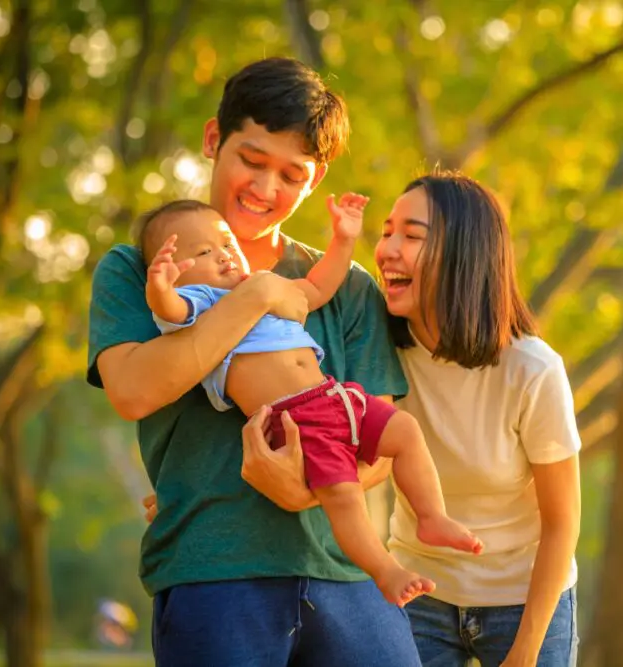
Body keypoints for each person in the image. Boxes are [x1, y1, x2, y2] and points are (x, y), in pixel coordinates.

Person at [87, 57, 424, 666]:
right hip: (212, 570)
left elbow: (379, 433)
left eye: (291, 175)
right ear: (215, 139)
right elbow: (133, 391)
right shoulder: (142, 267)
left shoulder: (345, 286)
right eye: (252, 159)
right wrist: (253, 297)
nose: (266, 189)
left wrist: (305, 491)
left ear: (315, 181)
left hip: (346, 571)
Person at [240, 171, 583, 667]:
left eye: (413, 236)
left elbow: (562, 522)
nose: (387, 250)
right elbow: (292, 400)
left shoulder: (532, 370)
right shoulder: (378, 350)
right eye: (386, 232)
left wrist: (526, 651)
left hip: (524, 599)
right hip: (419, 590)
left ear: (465, 253)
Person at [138, 198, 481, 606]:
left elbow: (319, 286)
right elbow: (170, 309)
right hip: (296, 422)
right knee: (344, 495)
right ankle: (384, 570)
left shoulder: (263, 285)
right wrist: (159, 285)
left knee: (405, 430)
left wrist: (343, 239)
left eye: (227, 244)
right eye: (203, 252)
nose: (224, 256)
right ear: (181, 273)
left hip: (335, 397)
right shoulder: (203, 303)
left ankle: (431, 516)